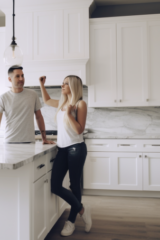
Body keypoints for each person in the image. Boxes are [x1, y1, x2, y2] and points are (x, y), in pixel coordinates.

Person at [39, 75, 91, 236]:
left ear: (74, 86)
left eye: (66, 83)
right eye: (62, 83)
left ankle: (71, 222)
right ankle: (82, 209)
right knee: (55, 186)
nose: (62, 85)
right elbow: (47, 101)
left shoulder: (80, 104)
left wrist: (69, 114)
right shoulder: (62, 103)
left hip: (76, 148)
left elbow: (79, 130)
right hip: (62, 149)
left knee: (74, 186)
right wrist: (42, 84)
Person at [0, 66, 55, 147]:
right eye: (17, 76)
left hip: (29, 142)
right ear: (10, 79)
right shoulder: (3, 98)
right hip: (9, 142)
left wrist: (44, 139)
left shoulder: (33, 94)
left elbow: (39, 117)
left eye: (22, 75)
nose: (21, 78)